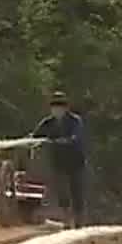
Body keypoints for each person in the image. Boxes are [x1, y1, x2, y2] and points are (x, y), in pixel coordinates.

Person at [30, 90, 88, 228]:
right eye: (54, 106)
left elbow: (75, 138)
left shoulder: (75, 121)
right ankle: (67, 220)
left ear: (66, 107)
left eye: (60, 106)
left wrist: (56, 142)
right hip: (58, 162)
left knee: (77, 192)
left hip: (75, 162)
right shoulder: (47, 123)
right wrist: (29, 141)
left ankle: (79, 222)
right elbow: (36, 136)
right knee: (62, 192)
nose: (57, 109)